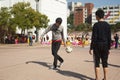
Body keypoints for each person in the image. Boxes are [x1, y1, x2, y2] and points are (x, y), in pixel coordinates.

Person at [89, 9, 111, 80]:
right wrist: (109, 48)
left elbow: (94, 37)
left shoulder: (96, 25)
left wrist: (91, 48)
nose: (95, 17)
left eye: (95, 16)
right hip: (105, 45)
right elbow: (109, 38)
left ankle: (97, 78)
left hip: (97, 45)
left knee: (97, 63)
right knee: (105, 62)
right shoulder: (107, 25)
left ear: (97, 16)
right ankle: (105, 78)